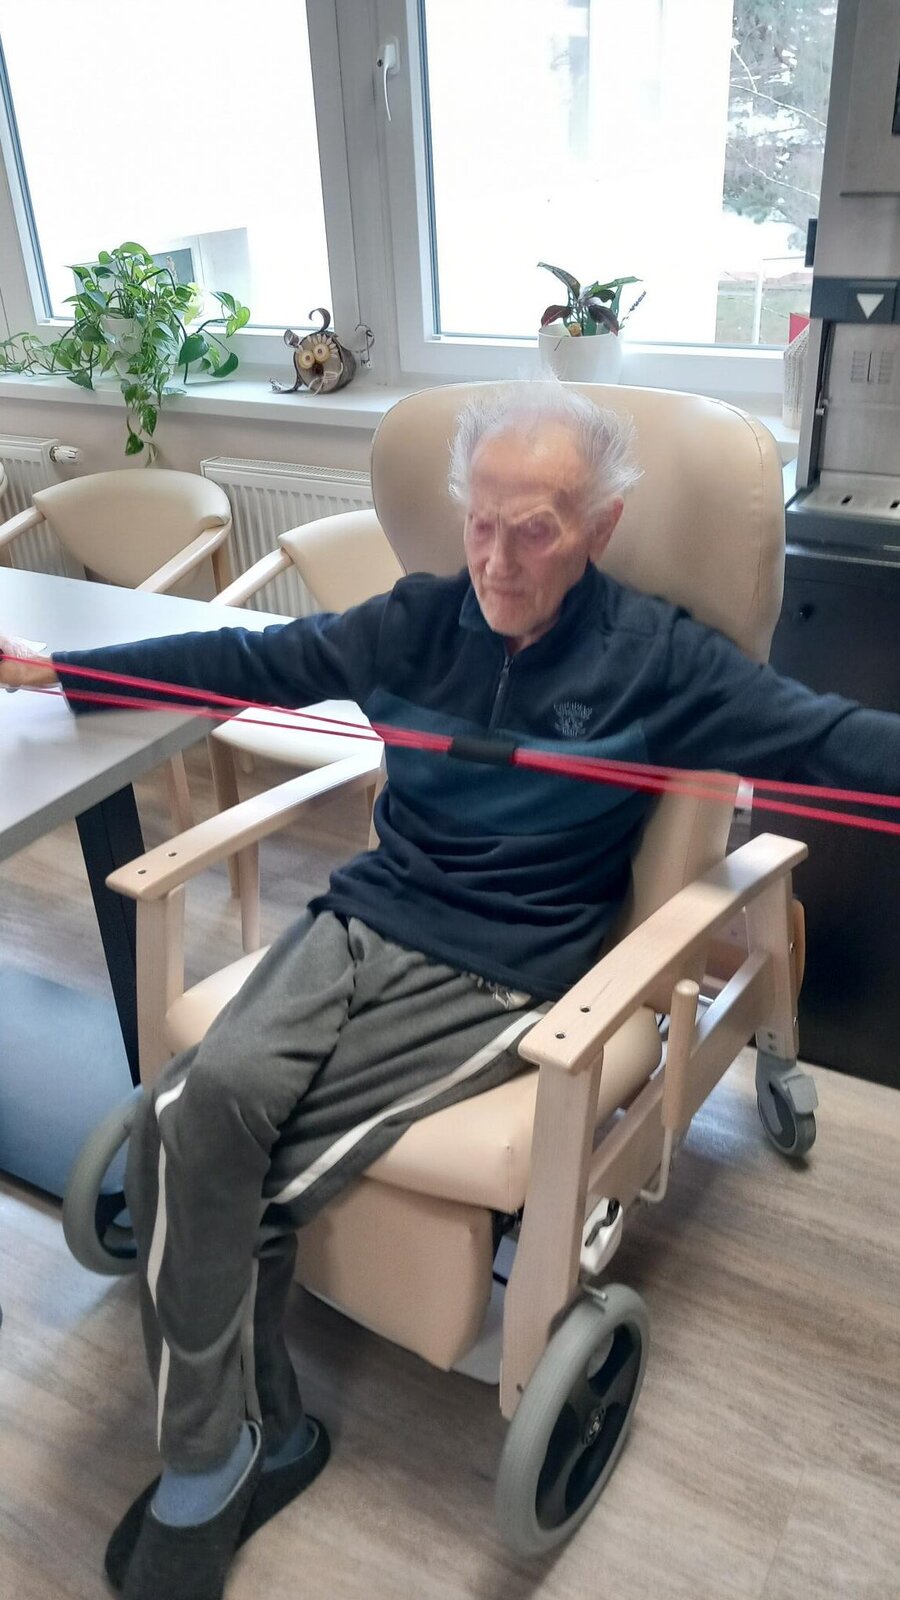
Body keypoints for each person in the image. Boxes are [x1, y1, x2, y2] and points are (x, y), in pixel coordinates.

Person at [2, 381, 899, 1600]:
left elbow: (832, 738)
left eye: (535, 530)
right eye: (482, 522)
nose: (498, 561)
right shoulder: (416, 620)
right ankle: (257, 1436)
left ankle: (210, 1466)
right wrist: (63, 670)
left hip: (502, 971)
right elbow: (251, 659)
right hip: (364, 918)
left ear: (602, 526)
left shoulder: (662, 660)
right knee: (197, 1109)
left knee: (214, 1162)